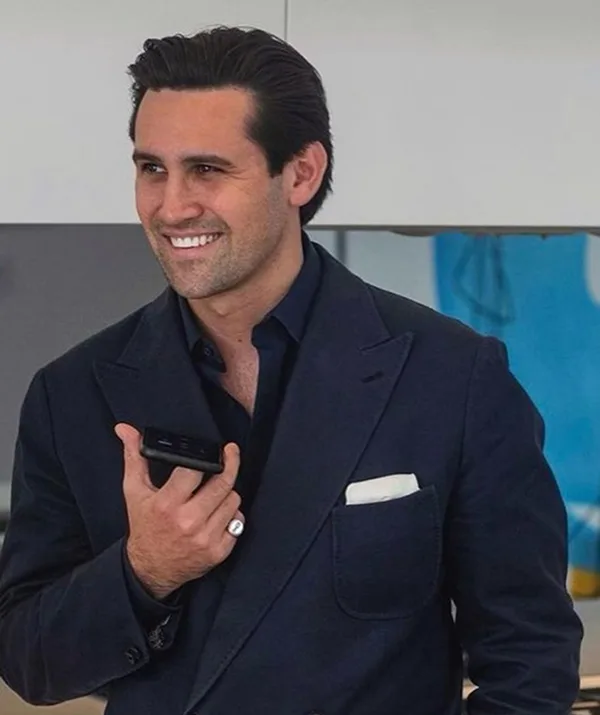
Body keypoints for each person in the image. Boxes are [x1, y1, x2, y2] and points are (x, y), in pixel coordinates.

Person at [0, 25, 583, 715]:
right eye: (152, 168)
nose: (171, 206)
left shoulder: (453, 377)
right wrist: (144, 571)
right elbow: (28, 658)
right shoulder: (72, 394)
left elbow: (530, 660)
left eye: (207, 169)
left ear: (301, 173)